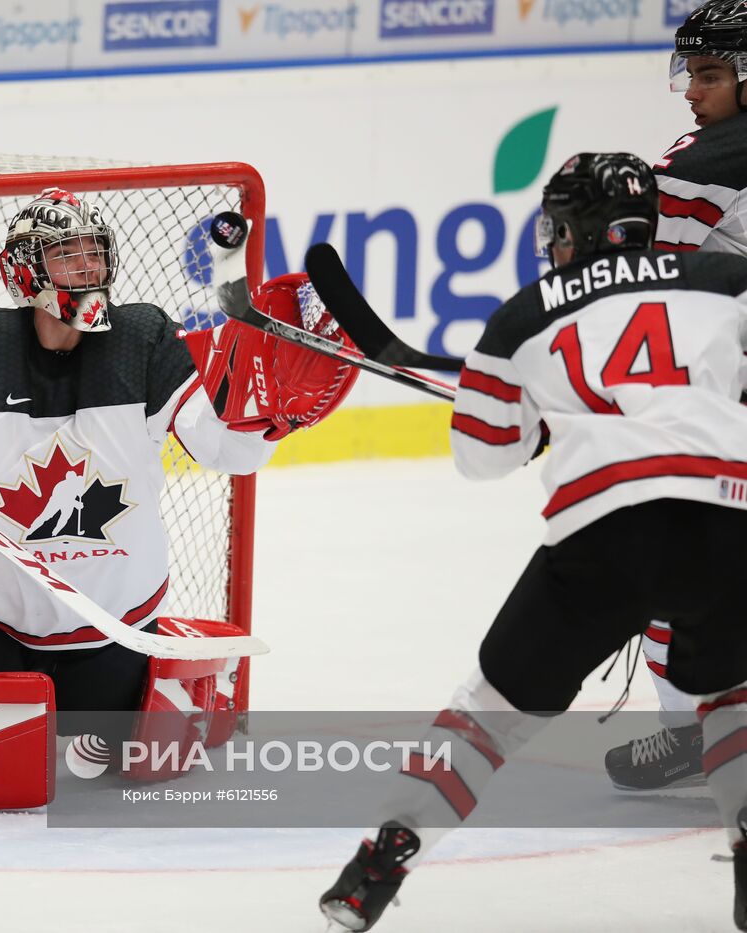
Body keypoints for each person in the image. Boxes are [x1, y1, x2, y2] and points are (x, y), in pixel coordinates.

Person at [319, 153, 747, 931]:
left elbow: (481, 456)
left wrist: (543, 417)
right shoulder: (723, 281)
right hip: (727, 516)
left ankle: (378, 865)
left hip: (602, 530)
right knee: (729, 693)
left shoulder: (526, 311)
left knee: (489, 713)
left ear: (576, 229)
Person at [0, 188, 357, 730]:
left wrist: (268, 418)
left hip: (113, 628)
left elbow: (226, 450)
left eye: (94, 252)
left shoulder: (144, 339)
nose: (86, 267)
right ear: (24, 269)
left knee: (107, 781)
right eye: (65, 253)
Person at [603, 0, 747, 791]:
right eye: (691, 72)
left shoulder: (714, 154)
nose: (692, 91)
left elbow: (626, 264)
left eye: (711, 74)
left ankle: (696, 726)